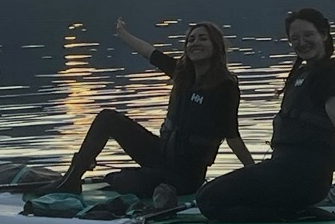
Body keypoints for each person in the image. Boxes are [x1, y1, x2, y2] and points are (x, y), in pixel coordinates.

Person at [194, 7, 335, 223]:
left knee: (208, 199)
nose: (302, 42)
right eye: (295, 38)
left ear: (324, 35)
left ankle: (294, 214)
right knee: (213, 197)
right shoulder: (302, 74)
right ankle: (293, 210)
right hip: (285, 171)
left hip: (305, 177)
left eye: (308, 35)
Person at [45, 17, 255, 199]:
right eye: (191, 40)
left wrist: (254, 173)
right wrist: (123, 33)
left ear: (216, 46)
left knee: (123, 180)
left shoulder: (225, 86)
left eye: (202, 38)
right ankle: (71, 180)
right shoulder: (182, 75)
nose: (195, 43)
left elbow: (232, 136)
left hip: (186, 174)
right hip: (161, 156)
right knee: (108, 118)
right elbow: (149, 53)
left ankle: (164, 191)